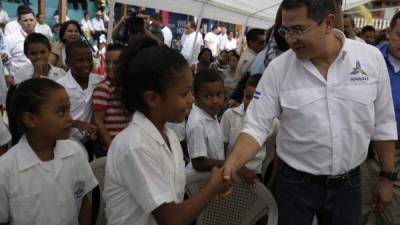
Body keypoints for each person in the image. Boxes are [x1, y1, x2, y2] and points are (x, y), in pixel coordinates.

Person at [222, 1, 397, 225]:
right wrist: (232, 165)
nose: (290, 39)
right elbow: (256, 126)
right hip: (294, 186)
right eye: (285, 30)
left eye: (298, 30)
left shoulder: (370, 60)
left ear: (328, 23)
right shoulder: (278, 69)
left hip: (349, 185)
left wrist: (386, 177)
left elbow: (383, 123)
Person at [104, 36, 230, 225]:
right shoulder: (135, 146)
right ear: (153, 99)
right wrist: (212, 187)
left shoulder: (169, 136)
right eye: (183, 93)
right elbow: (171, 219)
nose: (191, 100)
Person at [0, 78, 97, 225]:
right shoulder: (6, 169)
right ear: (30, 119)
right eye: (60, 112)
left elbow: (83, 202)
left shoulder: (76, 152)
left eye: (68, 109)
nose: (70, 118)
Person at [362, 12, 400, 225]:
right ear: (388, 32)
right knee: (357, 213)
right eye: (399, 35)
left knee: (392, 216)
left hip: (398, 155)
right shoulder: (367, 60)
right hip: (365, 153)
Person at [221, 74, 277, 179]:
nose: (251, 103)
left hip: (254, 175)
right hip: (231, 171)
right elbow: (222, 149)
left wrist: (272, 179)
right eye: (248, 97)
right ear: (244, 93)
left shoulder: (273, 122)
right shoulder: (229, 115)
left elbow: (277, 149)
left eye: (257, 99)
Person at [57, 41, 103, 160]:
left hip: (88, 141)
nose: (86, 64)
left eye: (89, 59)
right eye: (80, 60)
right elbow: (56, 116)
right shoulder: (60, 87)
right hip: (65, 140)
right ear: (68, 63)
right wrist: (78, 124)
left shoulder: (98, 81)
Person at [92, 43, 129, 156]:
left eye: (116, 63)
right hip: (110, 147)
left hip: (126, 145)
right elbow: (98, 121)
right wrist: (111, 146)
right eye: (108, 62)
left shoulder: (128, 86)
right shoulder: (103, 88)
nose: (111, 66)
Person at [4, 8, 37, 85]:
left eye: (31, 20)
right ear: (19, 22)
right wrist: (6, 75)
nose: (29, 23)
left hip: (37, 80)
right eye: (25, 20)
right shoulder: (10, 39)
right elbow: (2, 59)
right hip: (17, 81)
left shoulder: (40, 37)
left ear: (35, 20)